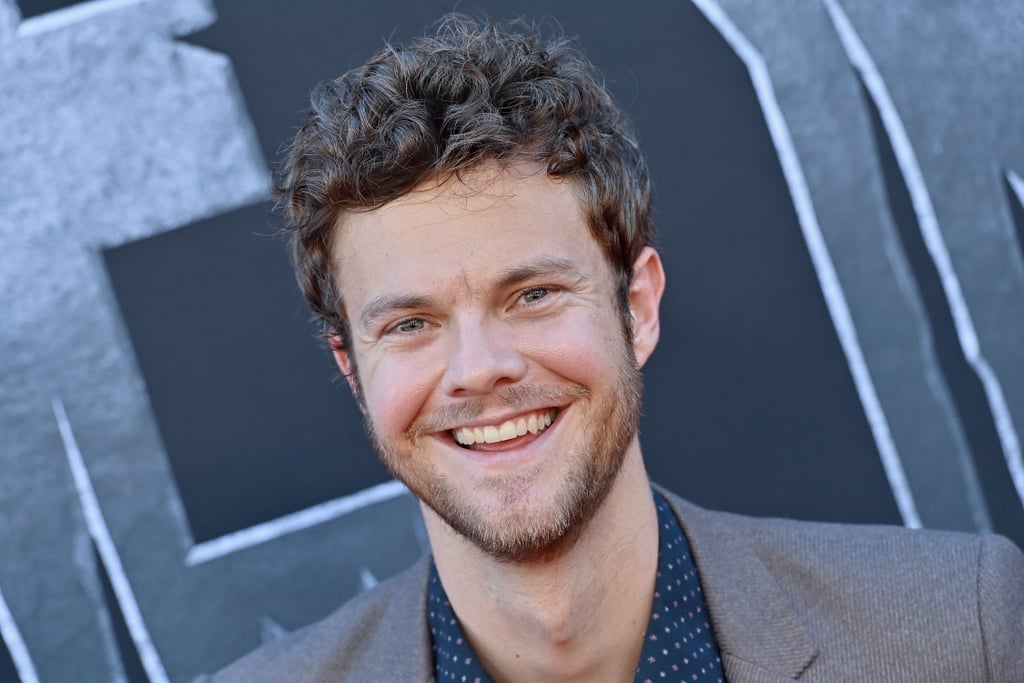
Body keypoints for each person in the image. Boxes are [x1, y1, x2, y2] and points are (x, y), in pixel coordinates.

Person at [199, 14, 1024, 682]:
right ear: (352, 369)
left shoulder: (962, 630)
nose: (480, 366)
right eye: (410, 323)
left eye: (531, 295)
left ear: (638, 307)